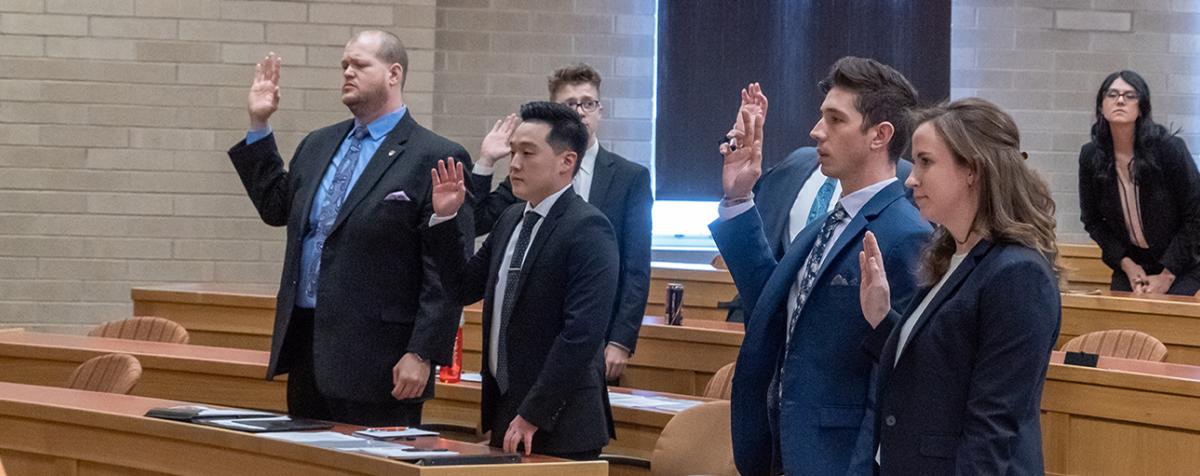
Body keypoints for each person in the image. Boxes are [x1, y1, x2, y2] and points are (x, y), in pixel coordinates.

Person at [227, 30, 472, 426]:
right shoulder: (318, 144)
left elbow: (444, 271)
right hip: (309, 343)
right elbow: (276, 208)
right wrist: (258, 123)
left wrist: (424, 352)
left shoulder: (435, 155)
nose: (347, 73)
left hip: (383, 360)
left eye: (359, 65)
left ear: (393, 74)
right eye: (344, 65)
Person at [710, 58, 931, 475]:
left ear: (880, 136)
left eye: (835, 119)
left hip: (838, 456)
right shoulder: (827, 222)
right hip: (784, 445)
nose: (816, 131)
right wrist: (739, 199)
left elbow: (895, 377)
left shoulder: (904, 234)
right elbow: (771, 307)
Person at [857, 98, 1062, 474]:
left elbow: (993, 427)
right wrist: (883, 317)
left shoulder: (1018, 275)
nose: (911, 178)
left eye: (926, 161)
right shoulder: (953, 257)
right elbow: (939, 370)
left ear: (973, 170)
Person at [426, 101, 618, 460]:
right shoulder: (511, 219)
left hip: (560, 418)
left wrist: (534, 413)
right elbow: (462, 287)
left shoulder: (589, 228)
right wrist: (446, 218)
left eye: (528, 153)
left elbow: (582, 333)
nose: (514, 164)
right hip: (505, 406)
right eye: (513, 152)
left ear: (566, 162)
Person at [469, 64, 652, 382]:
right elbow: (477, 221)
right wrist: (485, 163)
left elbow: (636, 266)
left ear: (600, 110)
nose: (580, 112)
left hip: (597, 332)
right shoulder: (530, 173)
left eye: (588, 103)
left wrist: (621, 340)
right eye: (570, 105)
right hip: (531, 336)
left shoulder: (629, 177)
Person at [1078, 70, 1200, 295]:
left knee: (1167, 323)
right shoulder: (1090, 156)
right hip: (1131, 264)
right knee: (1124, 327)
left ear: (1141, 106)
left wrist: (1168, 273)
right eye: (1112, 94)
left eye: (1130, 95)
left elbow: (1196, 214)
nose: (1120, 100)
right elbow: (1092, 220)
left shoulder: (1169, 149)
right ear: (1101, 107)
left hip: (1182, 262)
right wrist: (1127, 264)